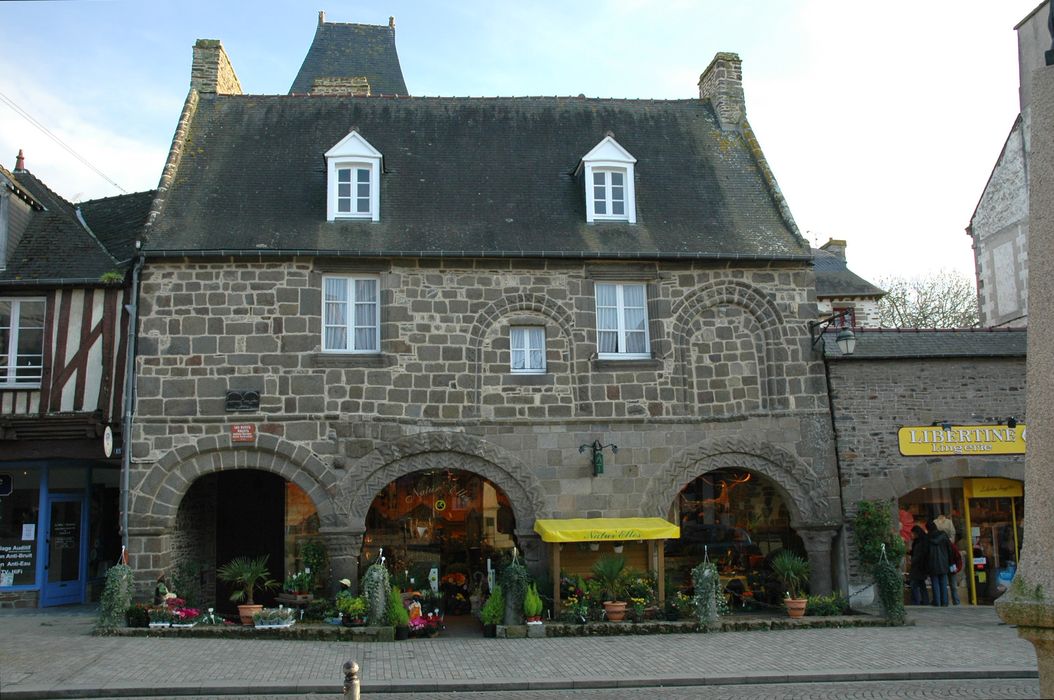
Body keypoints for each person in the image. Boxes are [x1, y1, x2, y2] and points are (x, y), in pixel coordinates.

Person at [926, 520, 954, 607]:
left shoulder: (927, 538)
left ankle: (937, 602)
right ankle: (944, 602)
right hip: (944, 563)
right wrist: (951, 562)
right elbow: (950, 550)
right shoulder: (944, 536)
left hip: (932, 563)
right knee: (943, 583)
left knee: (935, 583)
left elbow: (926, 552)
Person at [909, 525, 930, 605]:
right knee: (921, 585)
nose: (912, 535)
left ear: (916, 533)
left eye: (913, 533)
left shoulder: (919, 543)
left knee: (914, 584)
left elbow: (918, 555)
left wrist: (912, 561)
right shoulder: (922, 541)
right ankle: (925, 601)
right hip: (922, 567)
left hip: (918, 567)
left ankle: (916, 602)